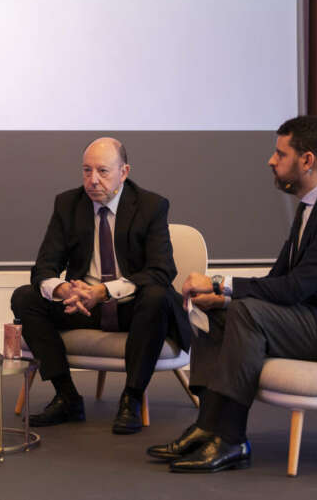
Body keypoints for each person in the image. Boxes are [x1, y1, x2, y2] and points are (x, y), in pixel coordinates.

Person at [146, 115, 317, 472]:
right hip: (316, 316)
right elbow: (280, 278)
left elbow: (296, 288)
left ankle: (231, 440)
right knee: (218, 311)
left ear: (307, 160)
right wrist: (221, 297)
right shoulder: (314, 204)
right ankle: (207, 425)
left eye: (280, 153)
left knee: (246, 311)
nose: (271, 160)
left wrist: (220, 284)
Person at [11, 137, 191, 434]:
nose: (92, 180)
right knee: (25, 298)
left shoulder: (151, 206)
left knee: (157, 297)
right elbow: (44, 267)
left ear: (124, 171)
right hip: (83, 305)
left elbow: (161, 271)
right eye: (86, 170)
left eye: (103, 171)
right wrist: (62, 289)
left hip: (130, 307)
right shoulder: (68, 204)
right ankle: (66, 395)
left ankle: (131, 398)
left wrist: (105, 292)